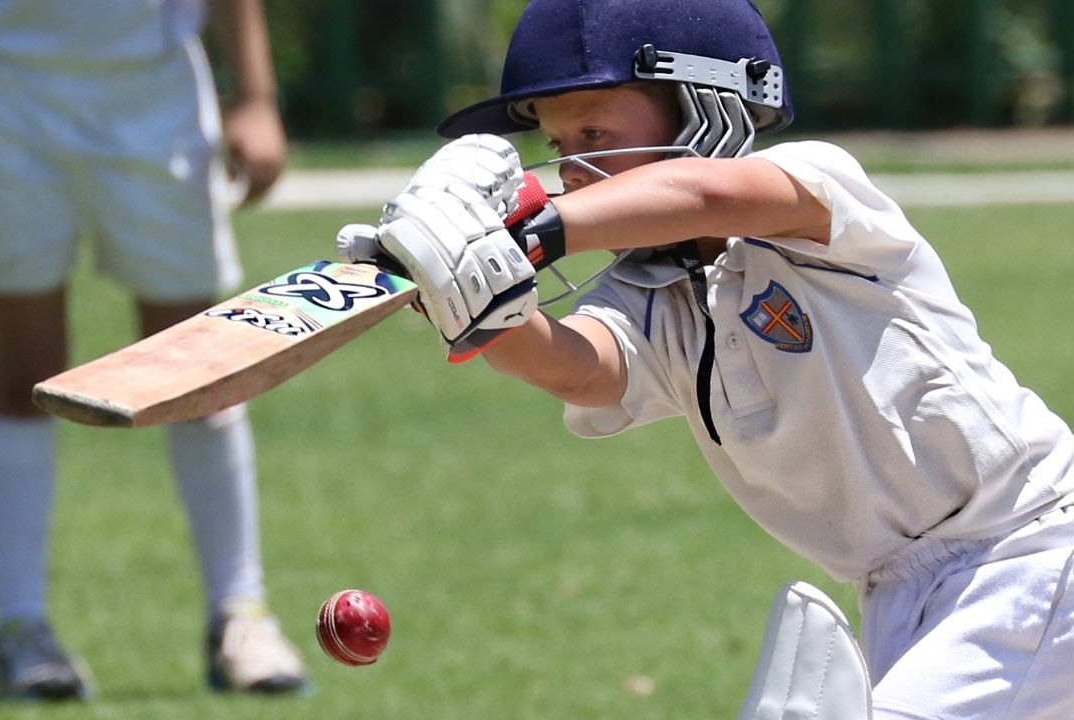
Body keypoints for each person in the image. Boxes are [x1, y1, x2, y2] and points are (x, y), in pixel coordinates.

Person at [338, 0, 1074, 717]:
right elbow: (583, 368)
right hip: (896, 593)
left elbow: (704, 190)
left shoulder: (815, 194)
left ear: (704, 109)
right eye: (561, 148)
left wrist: (533, 232)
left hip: (1026, 547)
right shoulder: (653, 295)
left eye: (594, 131)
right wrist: (475, 308)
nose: (572, 169)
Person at [0, 0, 308, 702]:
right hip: (9, 92)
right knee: (25, 368)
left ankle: (239, 612)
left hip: (157, 90)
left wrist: (257, 98)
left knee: (198, 366)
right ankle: (22, 629)